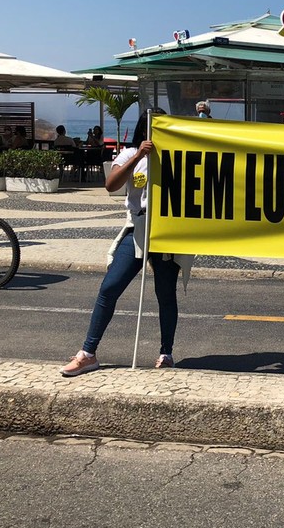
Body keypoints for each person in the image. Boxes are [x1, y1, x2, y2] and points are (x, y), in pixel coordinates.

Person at [61, 109, 193, 376]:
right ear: (144, 130)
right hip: (137, 228)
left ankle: (166, 353)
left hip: (166, 232)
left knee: (165, 294)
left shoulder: (180, 156)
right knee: (110, 287)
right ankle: (88, 353)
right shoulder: (128, 154)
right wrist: (138, 156)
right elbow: (111, 185)